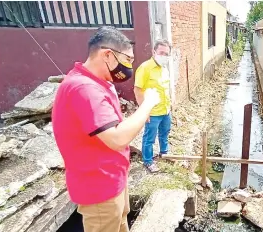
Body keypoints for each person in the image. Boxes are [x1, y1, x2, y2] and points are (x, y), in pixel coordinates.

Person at [52, 26, 160, 232]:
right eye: (127, 59)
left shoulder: (98, 83)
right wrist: (148, 104)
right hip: (98, 186)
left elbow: (110, 125)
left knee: (120, 224)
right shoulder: (84, 88)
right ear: (107, 55)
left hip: (112, 178)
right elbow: (117, 137)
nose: (129, 66)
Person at [133, 40, 173, 173]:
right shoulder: (145, 68)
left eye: (167, 54)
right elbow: (138, 90)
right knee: (149, 137)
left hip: (165, 109)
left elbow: (166, 88)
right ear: (154, 52)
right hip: (153, 112)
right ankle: (148, 161)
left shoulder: (164, 69)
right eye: (161, 53)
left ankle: (164, 153)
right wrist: (144, 111)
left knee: (164, 134)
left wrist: (170, 105)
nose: (164, 56)